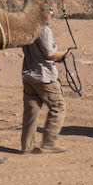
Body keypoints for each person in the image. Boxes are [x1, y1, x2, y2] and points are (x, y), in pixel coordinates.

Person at [21, 11, 71, 154]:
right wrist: (64, 53)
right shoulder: (43, 29)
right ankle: (49, 142)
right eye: (51, 13)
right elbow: (50, 53)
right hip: (44, 77)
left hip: (28, 75)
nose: (52, 16)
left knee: (31, 112)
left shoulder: (28, 29)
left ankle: (27, 146)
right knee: (58, 107)